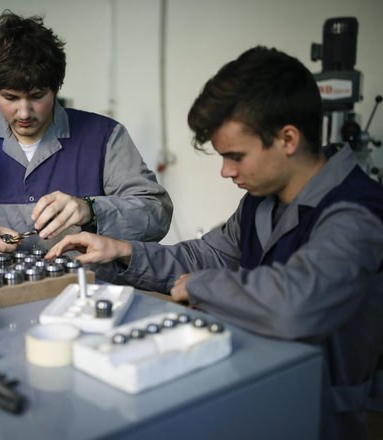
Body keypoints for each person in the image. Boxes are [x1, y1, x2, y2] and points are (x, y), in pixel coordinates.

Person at [46, 46, 383, 439]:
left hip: (319, 414)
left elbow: (295, 304)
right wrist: (123, 252)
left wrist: (200, 286)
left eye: (235, 156)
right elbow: (205, 254)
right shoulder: (261, 200)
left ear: (287, 138)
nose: (226, 171)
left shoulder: (358, 212)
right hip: (251, 388)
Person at [0, 10, 173, 257]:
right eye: (10, 98)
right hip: (1, 296)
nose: (25, 112)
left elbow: (156, 213)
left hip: (89, 291)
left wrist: (90, 210)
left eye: (38, 96)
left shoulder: (105, 137)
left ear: (56, 87)